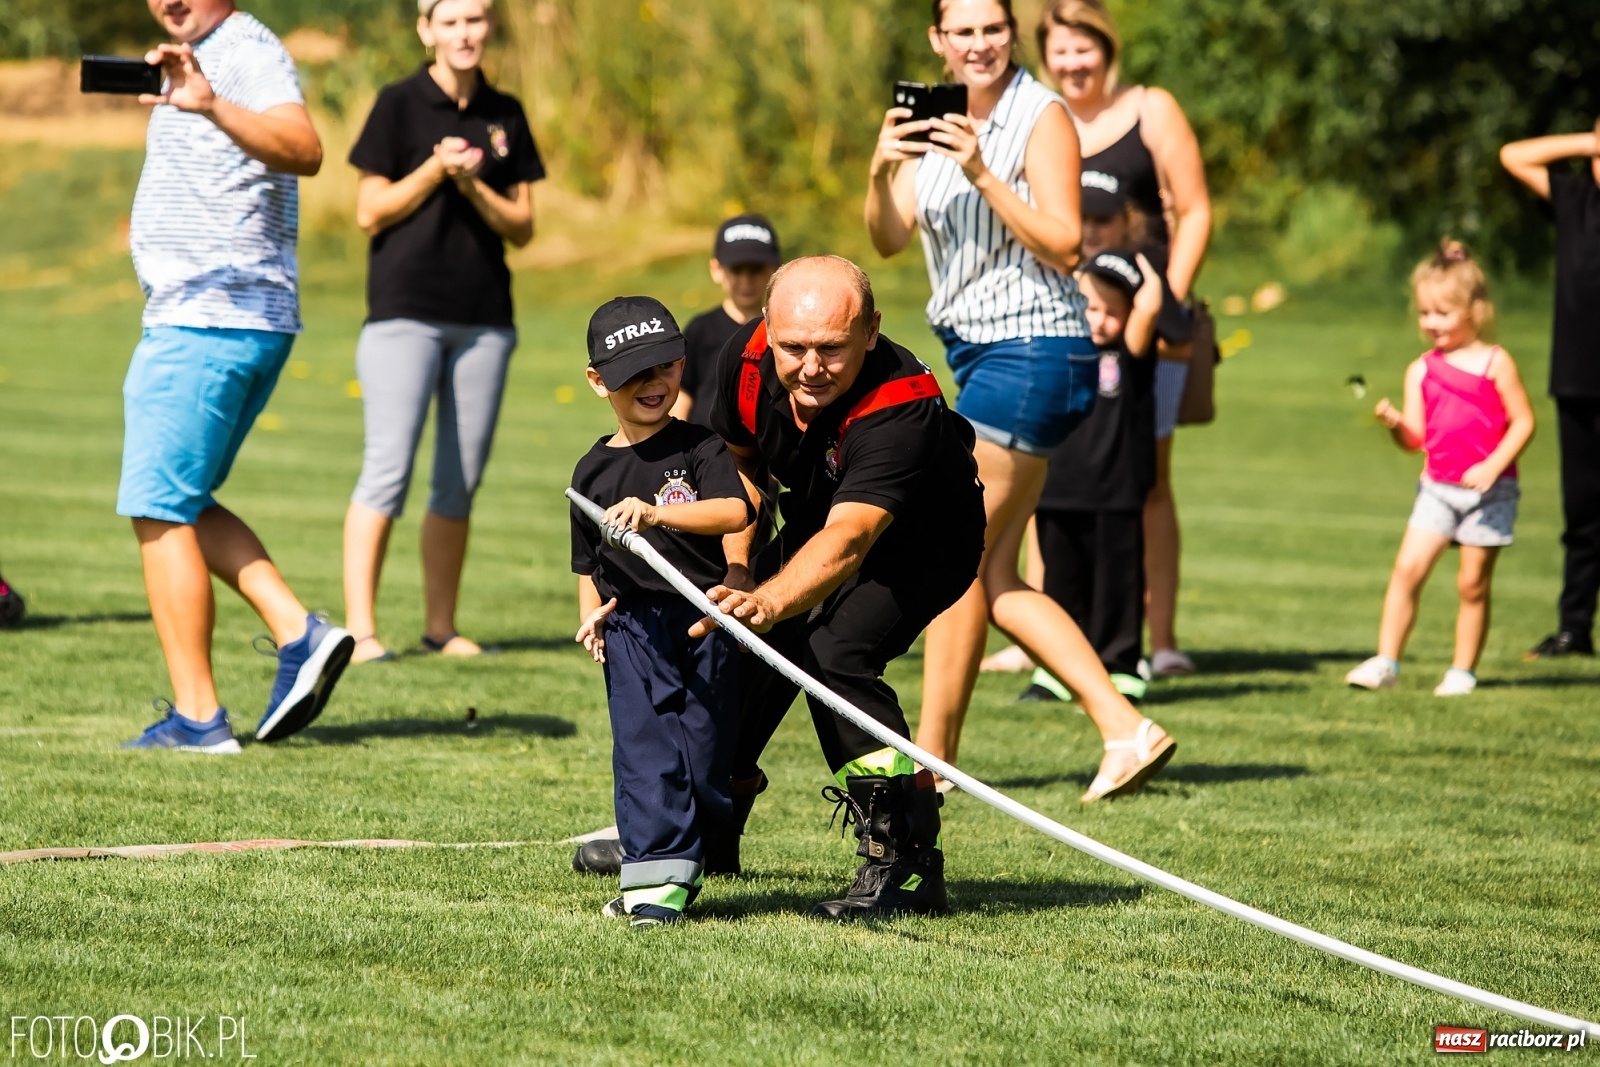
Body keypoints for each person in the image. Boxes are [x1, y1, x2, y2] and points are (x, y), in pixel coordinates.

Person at [865, 0, 1176, 801]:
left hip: (1036, 351)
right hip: (987, 356)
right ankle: (1124, 725)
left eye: (992, 28)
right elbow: (889, 238)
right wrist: (879, 167)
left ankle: (933, 764)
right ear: (938, 41)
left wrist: (978, 171)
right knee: (995, 571)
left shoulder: (1042, 115)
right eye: (961, 31)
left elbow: (1068, 240)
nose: (979, 44)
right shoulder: (931, 120)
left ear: (1012, 33)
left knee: (952, 555)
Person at [694, 255, 985, 918]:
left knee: (835, 651)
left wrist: (770, 599)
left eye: (831, 348)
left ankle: (906, 862)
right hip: (822, 517)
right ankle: (704, 827)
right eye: (792, 347)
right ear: (766, 329)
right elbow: (741, 470)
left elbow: (851, 539)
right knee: (737, 647)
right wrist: (742, 571)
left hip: (923, 542)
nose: (809, 366)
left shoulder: (900, 402)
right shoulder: (744, 363)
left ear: (872, 331)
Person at [119, 0, 353, 753]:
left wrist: (212, 102)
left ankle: (198, 717)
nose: (170, 0)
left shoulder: (244, 49)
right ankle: (298, 631)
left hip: (211, 319)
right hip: (225, 318)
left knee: (157, 505)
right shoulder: (206, 51)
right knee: (180, 501)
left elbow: (305, 148)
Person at [341, 0, 544, 664]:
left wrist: (475, 182)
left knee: (459, 482)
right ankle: (362, 632)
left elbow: (522, 225)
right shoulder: (397, 104)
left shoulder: (505, 112)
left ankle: (440, 626)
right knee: (388, 470)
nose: (464, 33)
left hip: (485, 320)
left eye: (475, 20)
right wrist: (433, 170)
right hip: (404, 314)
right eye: (450, 21)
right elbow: (370, 212)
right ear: (426, 30)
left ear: (487, 28)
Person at [1040, 0, 1212, 677]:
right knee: (1046, 476)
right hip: (1061, 323)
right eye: (1061, 49)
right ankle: (1049, 634)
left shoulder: (1153, 109)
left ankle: (1158, 639)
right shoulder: (1039, 116)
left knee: (1146, 481)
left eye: (1085, 47)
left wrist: (1163, 300)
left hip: (1143, 328)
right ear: (1046, 54)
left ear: (1106, 47)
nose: (1073, 61)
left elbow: (1194, 208)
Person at [569, 296, 753, 928]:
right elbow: (587, 564)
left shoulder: (699, 445)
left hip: (704, 624)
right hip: (633, 631)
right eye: (633, 375)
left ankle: (698, 846)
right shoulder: (592, 470)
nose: (654, 384)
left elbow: (733, 513)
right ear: (599, 382)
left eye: (666, 367)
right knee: (647, 753)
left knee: (703, 756)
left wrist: (655, 512)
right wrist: (592, 616)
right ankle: (655, 884)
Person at [1346, 241, 1535, 696]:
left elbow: (1524, 421)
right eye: (1424, 313)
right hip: (1436, 489)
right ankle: (1386, 661)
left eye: (1442, 313)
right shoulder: (1421, 370)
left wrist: (1493, 466)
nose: (1431, 323)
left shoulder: (1496, 363)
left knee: (1472, 584)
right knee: (1407, 570)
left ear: (1474, 310)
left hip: (1490, 494)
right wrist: (1395, 426)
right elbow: (1416, 440)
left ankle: (1462, 671)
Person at [1028, 250, 1163, 704]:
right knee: (1060, 584)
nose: (1099, 320)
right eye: (1090, 307)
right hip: (1058, 487)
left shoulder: (1132, 354)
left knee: (1117, 584)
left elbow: (1147, 312)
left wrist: (1149, 282)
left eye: (1112, 311)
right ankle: (1056, 670)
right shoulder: (1060, 347)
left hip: (1117, 490)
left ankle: (1120, 664)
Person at [1500, 120, 1600, 660]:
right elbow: (1513, 155)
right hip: (1579, 380)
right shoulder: (1575, 198)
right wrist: (1589, 142)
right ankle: (1574, 629)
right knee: (1583, 514)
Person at [672, 214, 783, 428]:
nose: (746, 280)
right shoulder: (700, 330)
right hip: (706, 449)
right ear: (716, 270)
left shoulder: (786, 331)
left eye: (756, 269)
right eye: (736, 270)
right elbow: (682, 393)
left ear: (777, 268)